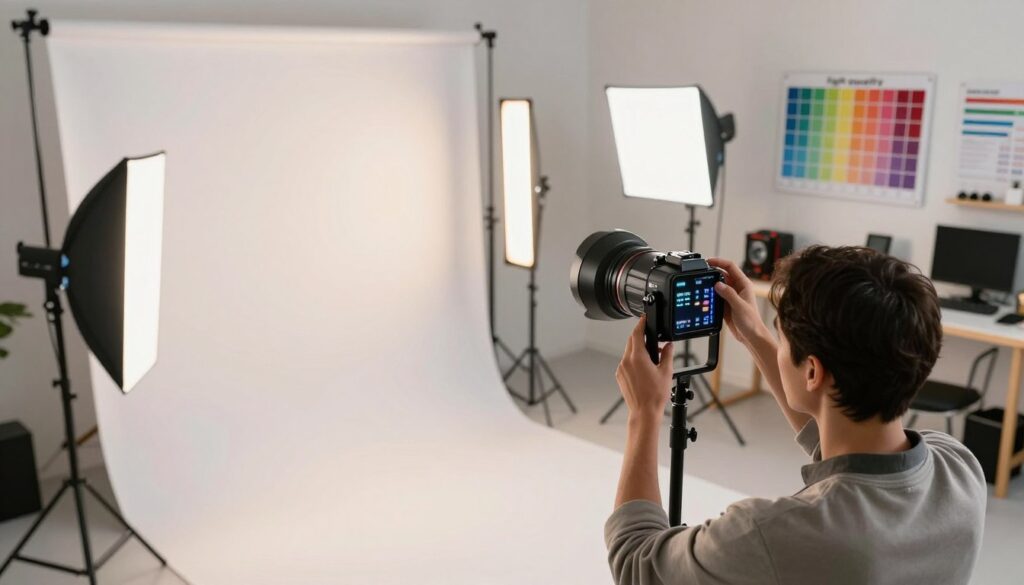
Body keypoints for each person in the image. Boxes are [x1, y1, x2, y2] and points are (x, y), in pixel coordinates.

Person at [605, 246, 986, 585]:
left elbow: (637, 564)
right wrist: (756, 335)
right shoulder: (961, 468)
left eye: (782, 338)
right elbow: (850, 451)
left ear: (813, 372)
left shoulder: (771, 534)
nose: (778, 346)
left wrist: (645, 412)